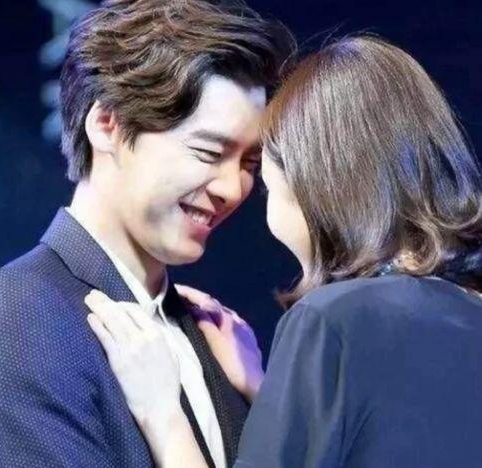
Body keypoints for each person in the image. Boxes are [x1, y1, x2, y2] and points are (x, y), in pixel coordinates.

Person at [86, 35, 482, 468]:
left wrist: (163, 415)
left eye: (261, 172)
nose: (236, 190)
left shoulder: (332, 320)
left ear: (313, 178)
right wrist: (270, 391)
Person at [0, 1, 294, 466]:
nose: (233, 189)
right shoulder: (18, 318)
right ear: (107, 124)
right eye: (209, 152)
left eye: (249, 164)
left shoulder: (213, 335)